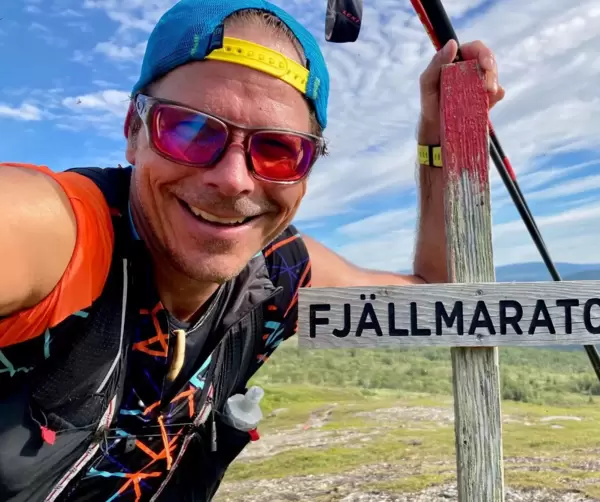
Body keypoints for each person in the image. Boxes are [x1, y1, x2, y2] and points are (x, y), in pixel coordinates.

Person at [0, 0, 505, 500]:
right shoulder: (67, 236)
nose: (233, 179)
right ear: (133, 132)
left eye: (279, 150)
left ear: (307, 172)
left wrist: (438, 139)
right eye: (189, 130)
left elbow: (438, 304)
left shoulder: (276, 273)